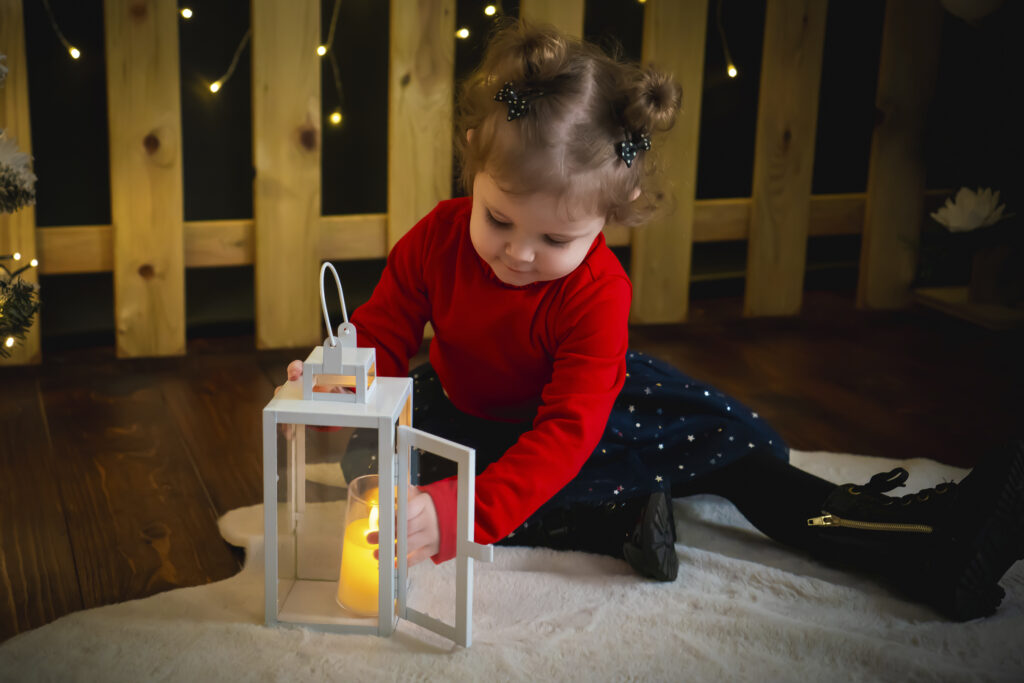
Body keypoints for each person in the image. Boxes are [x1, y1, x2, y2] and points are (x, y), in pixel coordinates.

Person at [285, 20, 1023, 621]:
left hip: (584, 417)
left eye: (554, 240)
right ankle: (618, 518)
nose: (517, 253)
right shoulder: (438, 238)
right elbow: (379, 335)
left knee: (743, 459)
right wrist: (336, 385)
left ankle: (918, 538)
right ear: (471, 174)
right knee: (372, 476)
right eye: (500, 219)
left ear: (609, 219)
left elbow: (567, 432)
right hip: (466, 409)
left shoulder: (597, 292)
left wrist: (460, 514)